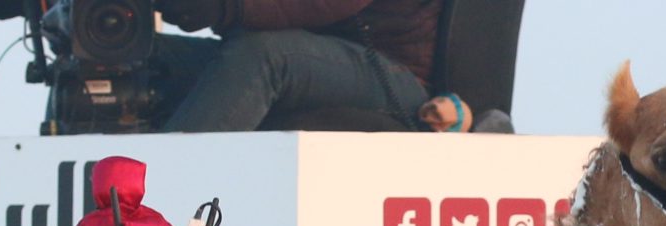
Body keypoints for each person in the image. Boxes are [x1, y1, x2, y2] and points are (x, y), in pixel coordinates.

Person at [125, 0, 441, 132]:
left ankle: (161, 192)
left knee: (264, 57)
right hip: (312, 54)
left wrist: (228, 7)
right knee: (138, 52)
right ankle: (94, 195)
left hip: (397, 75)